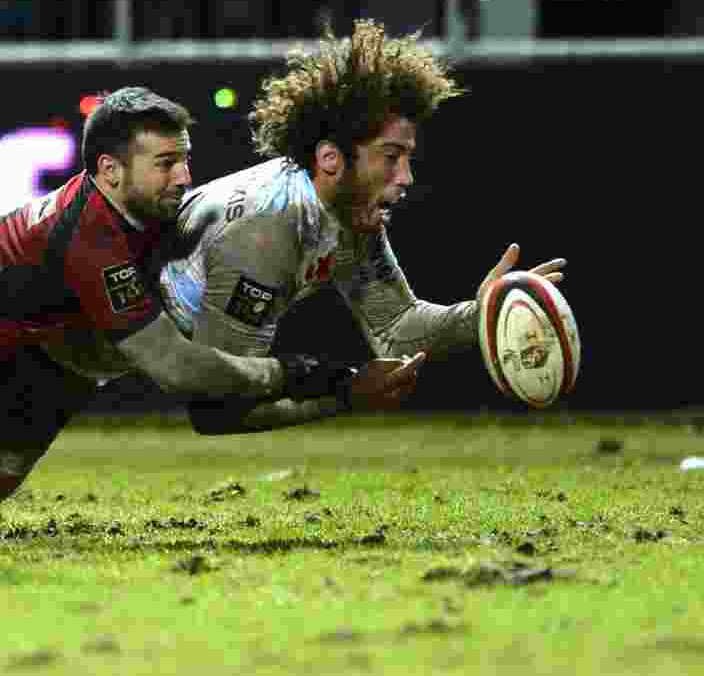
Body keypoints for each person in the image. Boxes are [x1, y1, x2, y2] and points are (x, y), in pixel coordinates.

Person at [0, 86, 422, 501]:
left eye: (184, 159)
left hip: (46, 354)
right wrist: (306, 373)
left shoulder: (138, 210)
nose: (183, 175)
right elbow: (176, 368)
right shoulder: (92, 239)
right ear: (111, 169)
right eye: (166, 163)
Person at [155, 19, 566, 435]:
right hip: (93, 342)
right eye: (391, 156)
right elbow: (216, 410)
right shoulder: (265, 232)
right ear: (331, 159)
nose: (406, 177)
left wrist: (484, 314)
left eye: (407, 157)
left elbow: (398, 328)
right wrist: (347, 393)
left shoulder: (348, 213)